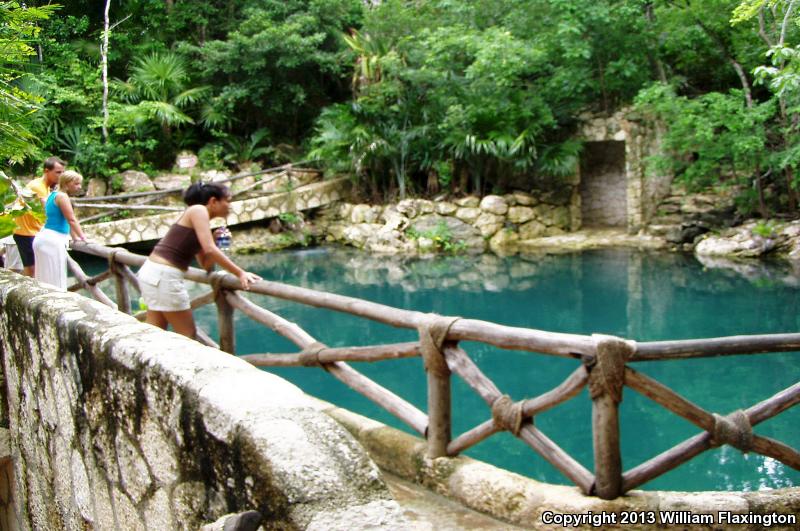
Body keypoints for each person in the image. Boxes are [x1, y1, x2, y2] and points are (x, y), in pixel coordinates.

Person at [137, 181, 261, 338]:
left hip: (153, 273)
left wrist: (216, 242)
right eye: (227, 200)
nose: (229, 205)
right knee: (188, 335)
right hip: (164, 277)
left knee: (156, 330)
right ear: (213, 201)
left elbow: (206, 265)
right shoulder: (198, 210)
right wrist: (241, 273)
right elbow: (209, 249)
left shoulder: (199, 220)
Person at [32, 170, 89, 290]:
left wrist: (75, 237)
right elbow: (71, 219)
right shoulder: (62, 197)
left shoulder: (53, 194)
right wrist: (84, 238)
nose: (79, 187)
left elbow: (65, 220)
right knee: (56, 281)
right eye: (76, 184)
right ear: (67, 183)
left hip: (44, 238)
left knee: (44, 280)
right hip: (52, 240)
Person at [13, 156, 65, 277]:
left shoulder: (45, 186)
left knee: (36, 269)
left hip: (33, 231)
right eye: (58, 172)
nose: (61, 175)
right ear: (46, 171)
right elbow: (49, 211)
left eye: (63, 172)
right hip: (26, 232)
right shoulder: (38, 187)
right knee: (32, 269)